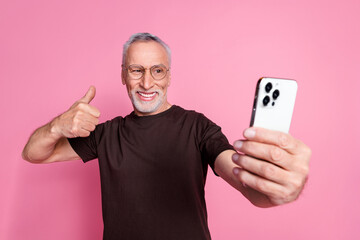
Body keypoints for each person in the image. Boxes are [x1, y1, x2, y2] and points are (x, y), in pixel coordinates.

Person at [22, 33, 311, 240]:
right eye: (136, 70)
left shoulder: (198, 127)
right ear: (123, 75)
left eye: (157, 71)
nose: (147, 82)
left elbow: (242, 180)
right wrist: (57, 126)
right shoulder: (106, 133)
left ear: (169, 76)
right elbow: (33, 153)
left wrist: (275, 187)